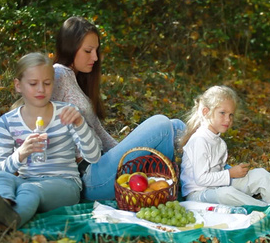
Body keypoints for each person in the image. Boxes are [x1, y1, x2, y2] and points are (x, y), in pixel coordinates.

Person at [0, 52, 101, 237]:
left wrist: (80, 124)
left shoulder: (67, 113)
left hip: (65, 185)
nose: (41, 90)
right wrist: (20, 154)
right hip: (26, 181)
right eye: (33, 84)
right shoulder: (8, 121)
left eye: (47, 83)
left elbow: (94, 157)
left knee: (29, 189)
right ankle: (4, 206)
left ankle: (0, 224)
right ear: (18, 85)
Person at [52, 16, 185, 200]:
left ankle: (204, 178)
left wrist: (124, 154)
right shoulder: (58, 74)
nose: (95, 57)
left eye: (96, 50)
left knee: (176, 125)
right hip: (88, 177)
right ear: (69, 48)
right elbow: (38, 118)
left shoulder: (77, 79)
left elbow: (99, 132)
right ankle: (210, 179)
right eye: (88, 51)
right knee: (162, 125)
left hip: (102, 166)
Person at [179, 85, 270, 210]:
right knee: (226, 193)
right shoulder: (199, 140)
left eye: (231, 115)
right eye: (222, 113)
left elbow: (219, 173)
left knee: (260, 174)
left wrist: (234, 174)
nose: (228, 119)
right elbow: (201, 179)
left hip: (218, 187)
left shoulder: (220, 143)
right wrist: (230, 174)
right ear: (205, 112)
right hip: (198, 195)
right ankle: (269, 208)